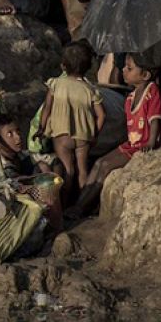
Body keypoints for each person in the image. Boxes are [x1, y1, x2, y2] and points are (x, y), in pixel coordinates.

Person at [73, 50, 161, 216]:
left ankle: (82, 208)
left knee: (106, 166)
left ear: (145, 75)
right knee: (99, 163)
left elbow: (154, 119)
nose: (123, 71)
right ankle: (80, 203)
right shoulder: (130, 97)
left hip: (141, 145)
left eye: (129, 68)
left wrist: (151, 142)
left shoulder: (152, 91)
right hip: (131, 145)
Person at [34, 41, 106, 204]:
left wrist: (41, 128)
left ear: (63, 66)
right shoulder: (90, 89)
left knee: (68, 170)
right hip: (83, 137)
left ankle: (65, 202)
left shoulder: (55, 84)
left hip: (61, 135)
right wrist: (93, 135)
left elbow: (47, 108)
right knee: (82, 170)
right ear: (87, 67)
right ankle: (82, 204)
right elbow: (101, 115)